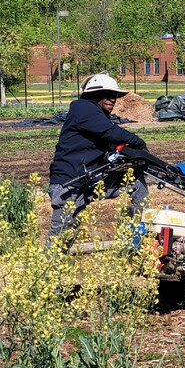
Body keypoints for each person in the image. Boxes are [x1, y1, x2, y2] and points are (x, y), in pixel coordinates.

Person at [47, 72, 148, 249]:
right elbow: (109, 132)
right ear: (93, 95)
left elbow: (109, 142)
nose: (113, 99)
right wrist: (138, 142)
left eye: (114, 95)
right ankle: (46, 269)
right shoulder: (83, 109)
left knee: (135, 181)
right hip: (69, 183)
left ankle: (138, 235)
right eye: (107, 94)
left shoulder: (97, 114)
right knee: (62, 236)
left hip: (89, 180)